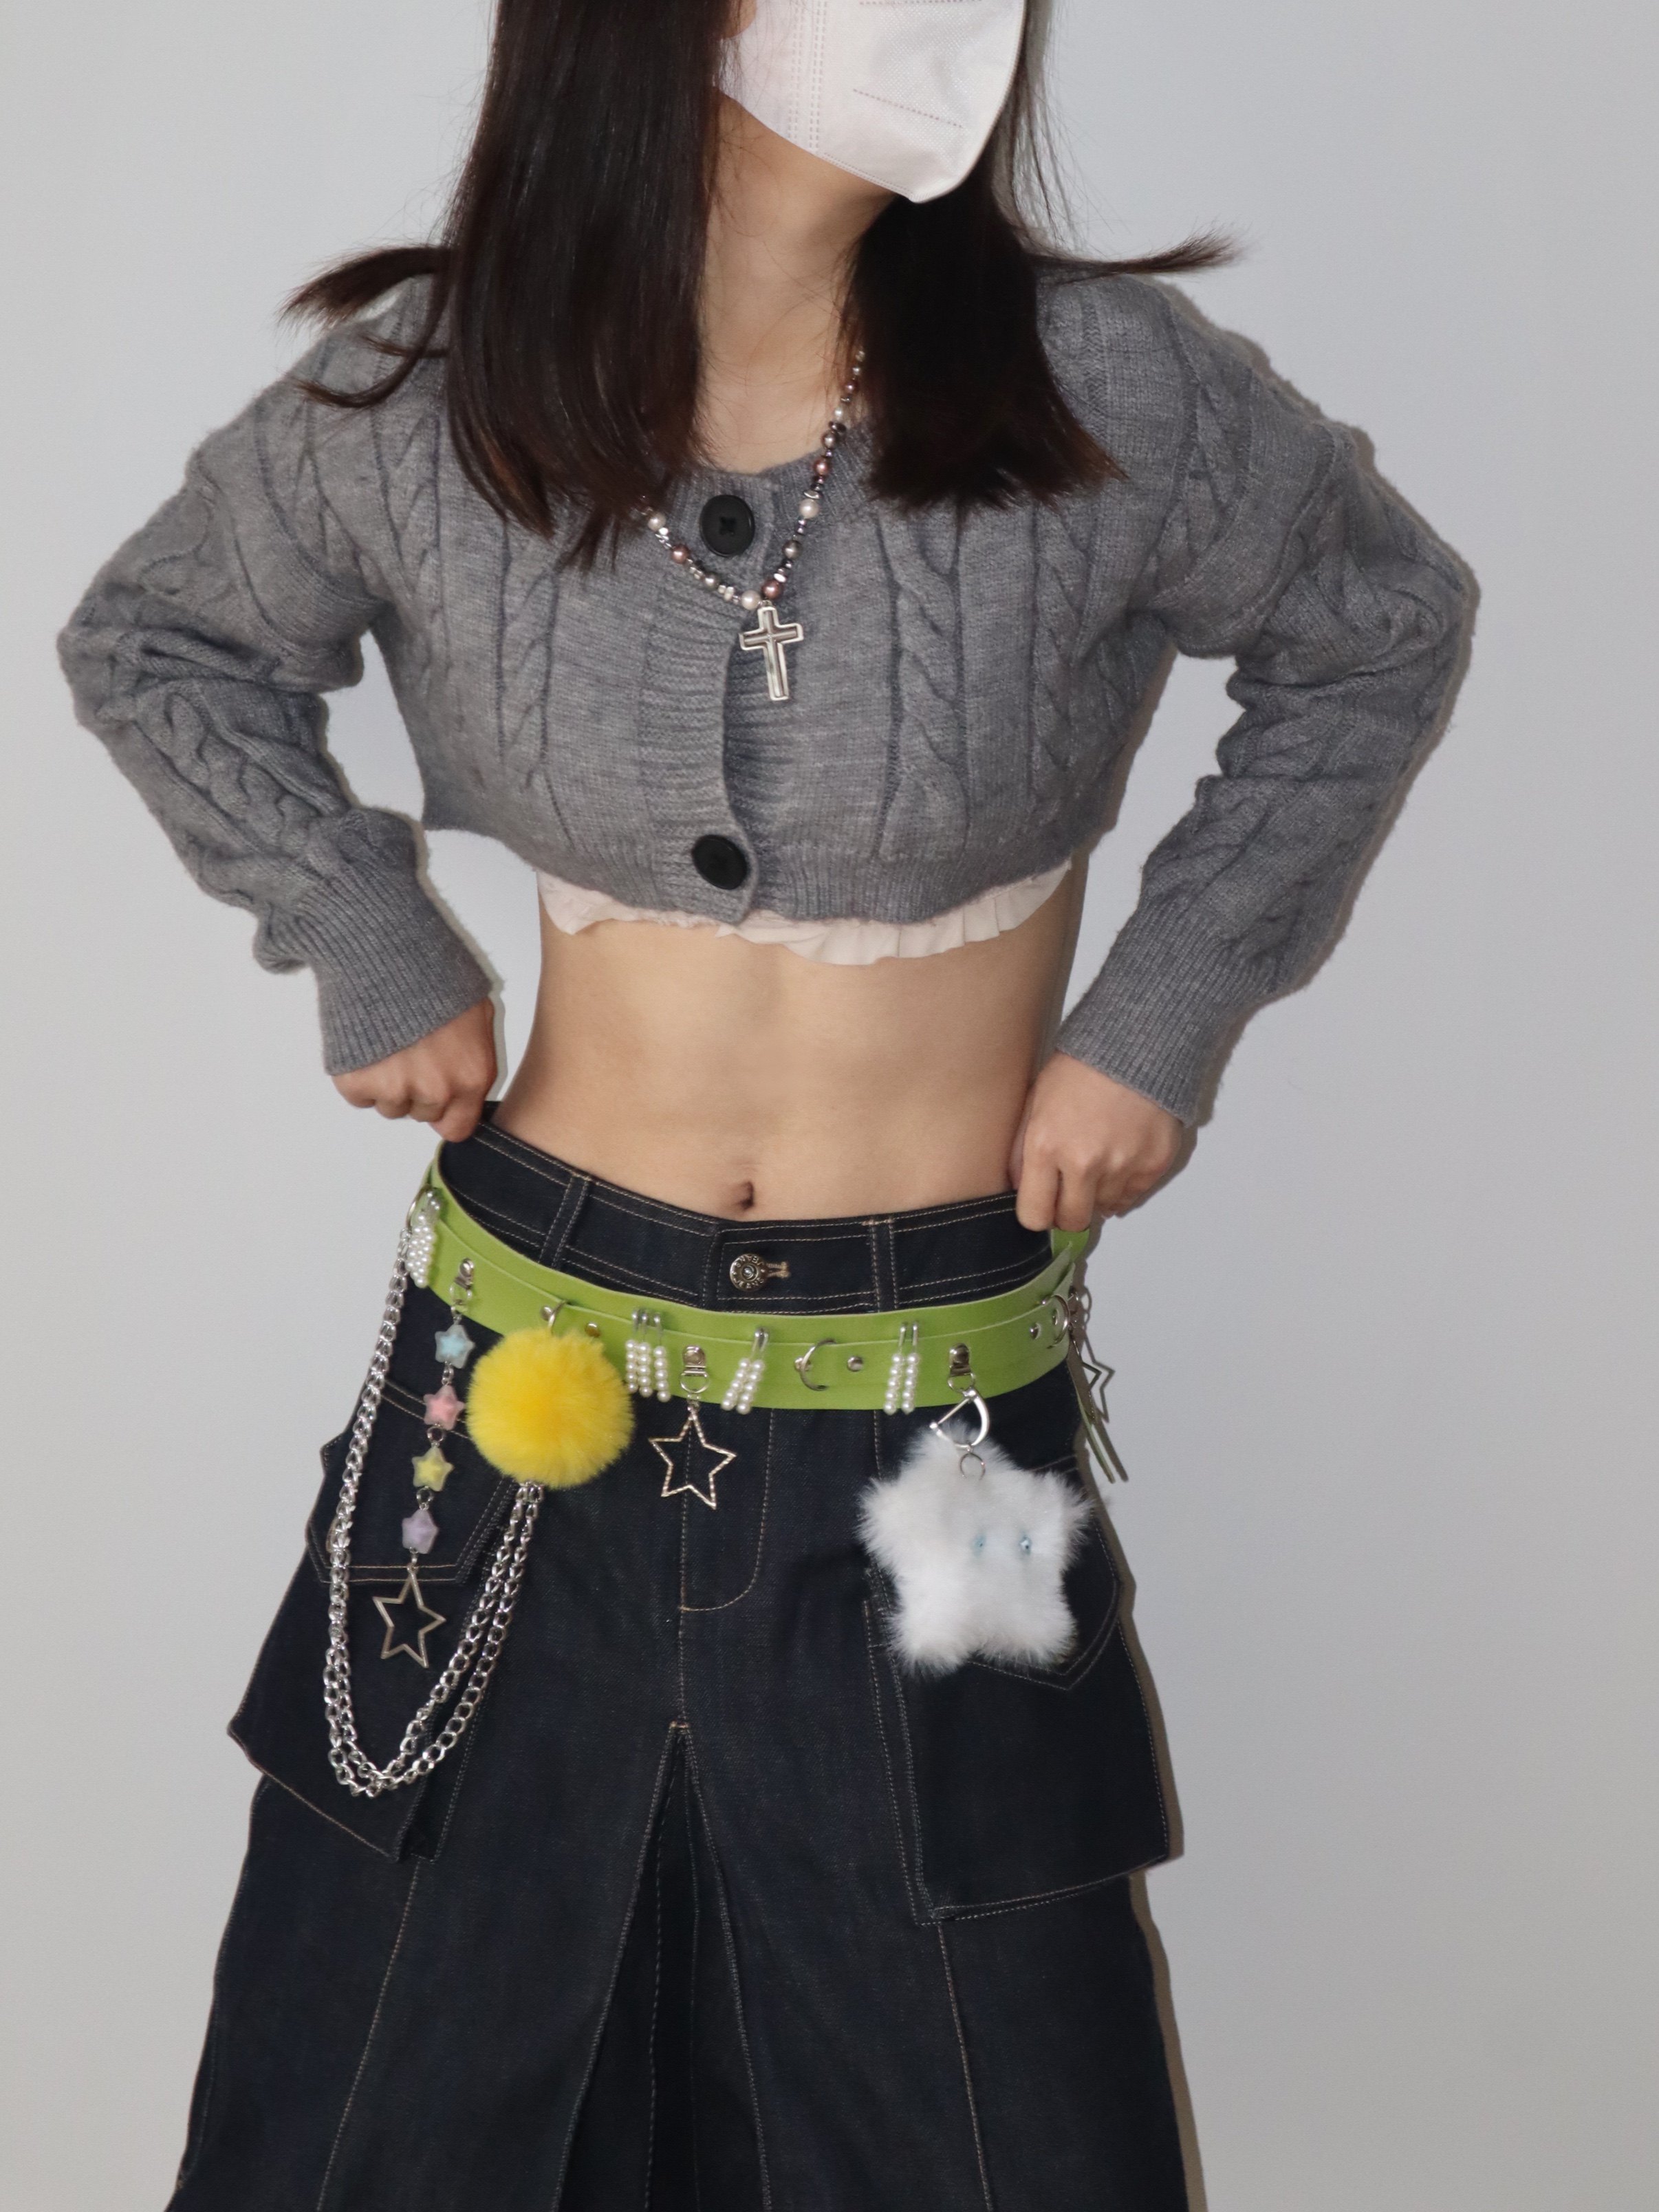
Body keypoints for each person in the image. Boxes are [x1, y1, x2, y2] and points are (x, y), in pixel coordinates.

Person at [57, 2, 1468, 2205]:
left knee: (999, 2117)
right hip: (511, 1388)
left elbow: (1376, 627)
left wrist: (1165, 1009)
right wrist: (363, 931)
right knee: (381, 2104)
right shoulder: (435, 396)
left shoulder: (1103, 388)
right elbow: (154, 643)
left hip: (936, 1405)